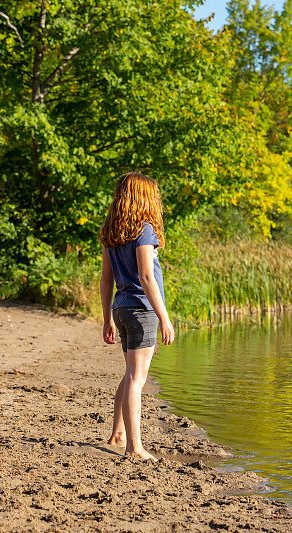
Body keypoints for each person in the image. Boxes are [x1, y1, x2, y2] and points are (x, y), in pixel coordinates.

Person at [98, 171, 175, 461]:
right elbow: (145, 275)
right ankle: (135, 446)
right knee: (136, 378)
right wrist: (164, 317)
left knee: (129, 374)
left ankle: (118, 434)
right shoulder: (144, 231)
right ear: (144, 198)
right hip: (141, 309)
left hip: (121, 308)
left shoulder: (112, 233)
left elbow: (106, 281)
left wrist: (107, 318)